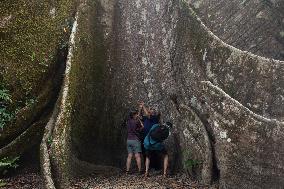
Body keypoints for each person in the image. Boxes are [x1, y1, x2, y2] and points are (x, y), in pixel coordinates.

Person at [126, 110, 144, 174]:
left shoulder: (128, 121)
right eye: (136, 114)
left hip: (128, 140)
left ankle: (127, 171)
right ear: (134, 115)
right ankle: (139, 171)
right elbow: (142, 127)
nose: (137, 115)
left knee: (129, 156)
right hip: (135, 140)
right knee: (137, 156)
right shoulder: (137, 121)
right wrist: (139, 120)